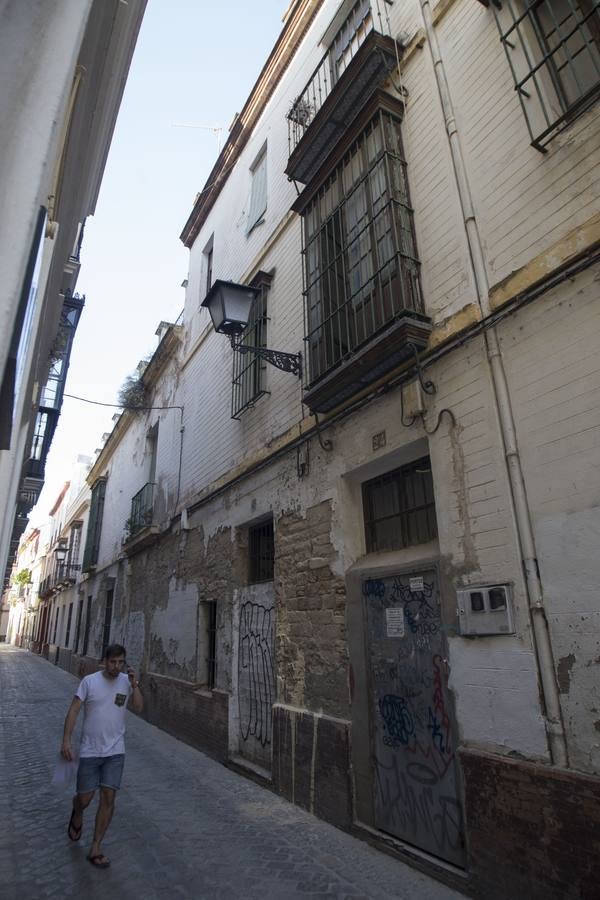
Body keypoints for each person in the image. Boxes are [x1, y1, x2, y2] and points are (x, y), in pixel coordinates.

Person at [61, 642, 143, 868]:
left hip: (115, 752)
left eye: (120, 662)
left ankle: (96, 847)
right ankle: (76, 810)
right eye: (113, 662)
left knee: (108, 798)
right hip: (89, 751)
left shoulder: (126, 683)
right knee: (85, 799)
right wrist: (67, 740)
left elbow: (139, 706)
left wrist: (135, 685)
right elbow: (74, 710)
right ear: (104, 661)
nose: (116, 666)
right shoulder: (90, 682)